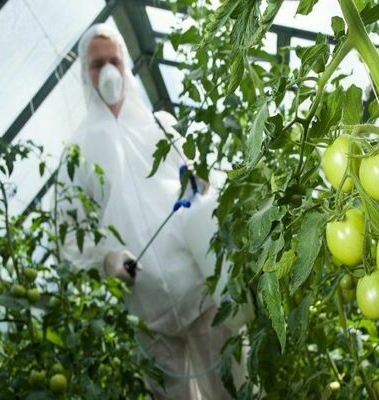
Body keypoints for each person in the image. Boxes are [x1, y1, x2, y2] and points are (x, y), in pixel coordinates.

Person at [57, 23, 247, 399]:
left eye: (113, 61)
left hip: (198, 288)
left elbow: (203, 185)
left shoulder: (160, 126)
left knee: (232, 388)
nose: (108, 72)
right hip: (146, 310)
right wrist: (108, 259)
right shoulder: (77, 153)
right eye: (98, 65)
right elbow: (69, 233)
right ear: (85, 73)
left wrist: (205, 180)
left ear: (125, 63)